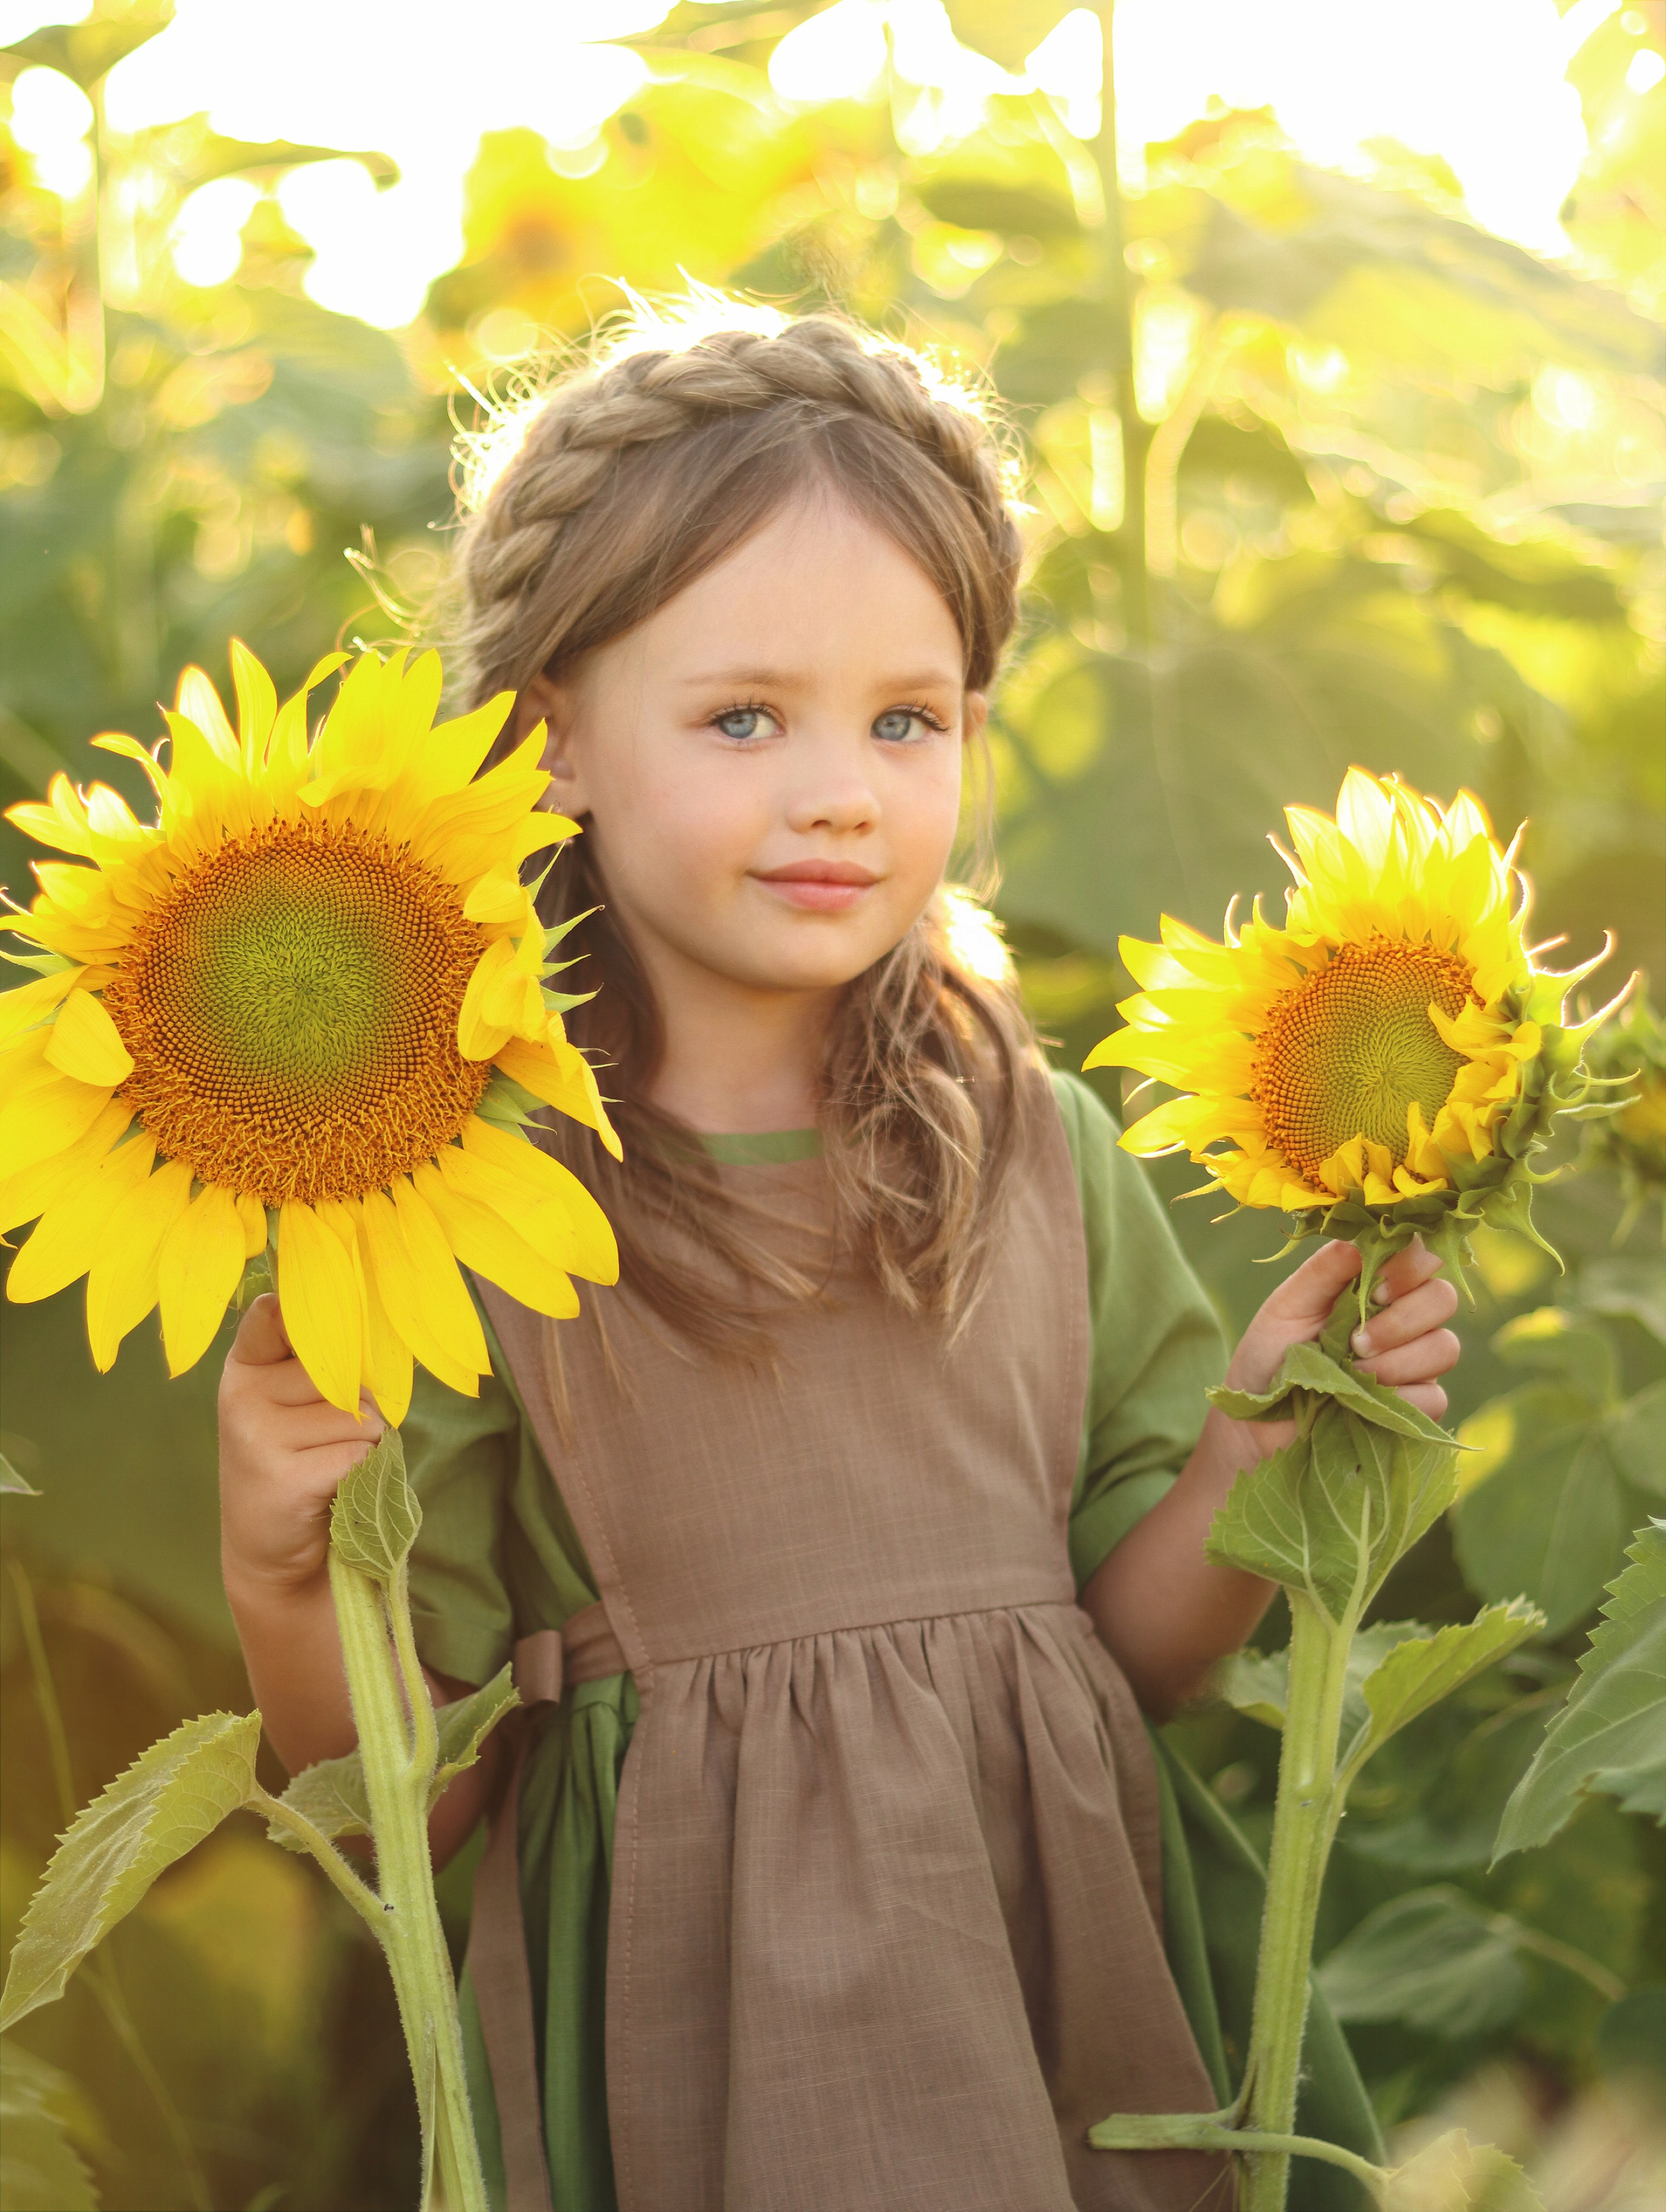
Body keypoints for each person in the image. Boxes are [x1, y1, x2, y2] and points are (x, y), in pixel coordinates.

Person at [218, 303, 1462, 2212]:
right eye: (744, 718)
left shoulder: (1034, 1153)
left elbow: (1121, 1663)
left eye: (910, 718)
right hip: (711, 2059)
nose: (841, 792)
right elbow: (413, 1802)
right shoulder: (467, 1208)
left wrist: (1251, 1464)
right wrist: (284, 1567)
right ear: (550, 737)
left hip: (1062, 2017)